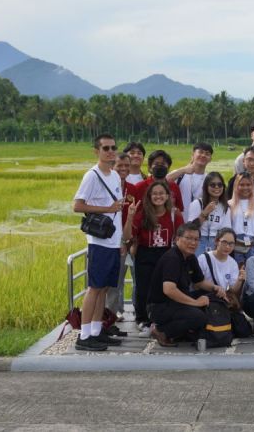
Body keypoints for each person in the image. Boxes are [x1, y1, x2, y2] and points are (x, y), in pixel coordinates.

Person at [73, 134, 125, 351]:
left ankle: (96, 330)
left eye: (113, 147)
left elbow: (117, 208)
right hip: (99, 242)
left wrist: (121, 239)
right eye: (105, 148)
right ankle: (84, 336)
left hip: (113, 241)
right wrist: (107, 209)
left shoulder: (114, 175)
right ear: (97, 151)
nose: (110, 151)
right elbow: (78, 206)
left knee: (103, 288)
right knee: (94, 289)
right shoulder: (91, 176)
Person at [147, 222, 225, 347]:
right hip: (160, 306)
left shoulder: (190, 257)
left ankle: (183, 331)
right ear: (177, 239)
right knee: (198, 317)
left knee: (212, 296)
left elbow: (199, 281)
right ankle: (162, 331)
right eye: (188, 238)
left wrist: (215, 288)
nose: (193, 243)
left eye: (196, 239)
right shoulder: (172, 258)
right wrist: (196, 303)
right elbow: (169, 290)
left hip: (177, 302)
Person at [123, 181, 184, 337]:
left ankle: (161, 319)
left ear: (167, 196)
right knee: (144, 288)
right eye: (154, 194)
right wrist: (129, 217)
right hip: (145, 253)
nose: (158, 196)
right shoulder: (142, 214)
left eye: (161, 193)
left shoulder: (174, 214)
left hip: (166, 254)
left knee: (164, 288)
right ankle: (143, 320)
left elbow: (180, 236)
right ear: (149, 197)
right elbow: (127, 236)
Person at [106, 152, 136, 318]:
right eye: (120, 166)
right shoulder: (107, 186)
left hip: (130, 238)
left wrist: (130, 239)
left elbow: (137, 214)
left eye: (127, 166)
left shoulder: (132, 189)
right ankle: (110, 315)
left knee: (127, 280)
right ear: (112, 166)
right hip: (111, 240)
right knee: (113, 281)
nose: (123, 169)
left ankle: (116, 311)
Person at [197, 228, 246, 312]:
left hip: (221, 300)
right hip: (205, 298)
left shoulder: (233, 263)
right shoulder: (203, 258)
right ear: (216, 241)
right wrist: (214, 288)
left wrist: (239, 280)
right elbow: (197, 284)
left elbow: (232, 290)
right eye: (224, 242)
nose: (227, 247)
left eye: (231, 244)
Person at [186, 171, 231, 256]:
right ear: (206, 187)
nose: (217, 187)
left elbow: (227, 230)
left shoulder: (225, 207)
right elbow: (190, 229)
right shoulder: (197, 204)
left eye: (220, 185)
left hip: (217, 242)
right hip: (199, 240)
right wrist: (204, 213)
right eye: (213, 185)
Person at [167, 142, 214, 221]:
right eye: (200, 152)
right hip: (178, 221)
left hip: (199, 223)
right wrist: (183, 170)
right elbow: (163, 181)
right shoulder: (180, 174)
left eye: (207, 154)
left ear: (210, 159)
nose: (203, 155)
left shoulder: (209, 179)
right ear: (192, 155)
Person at [131, 150, 184, 214]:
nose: (160, 166)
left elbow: (179, 210)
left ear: (168, 168)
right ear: (150, 167)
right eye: (156, 164)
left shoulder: (174, 186)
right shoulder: (139, 187)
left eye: (163, 164)